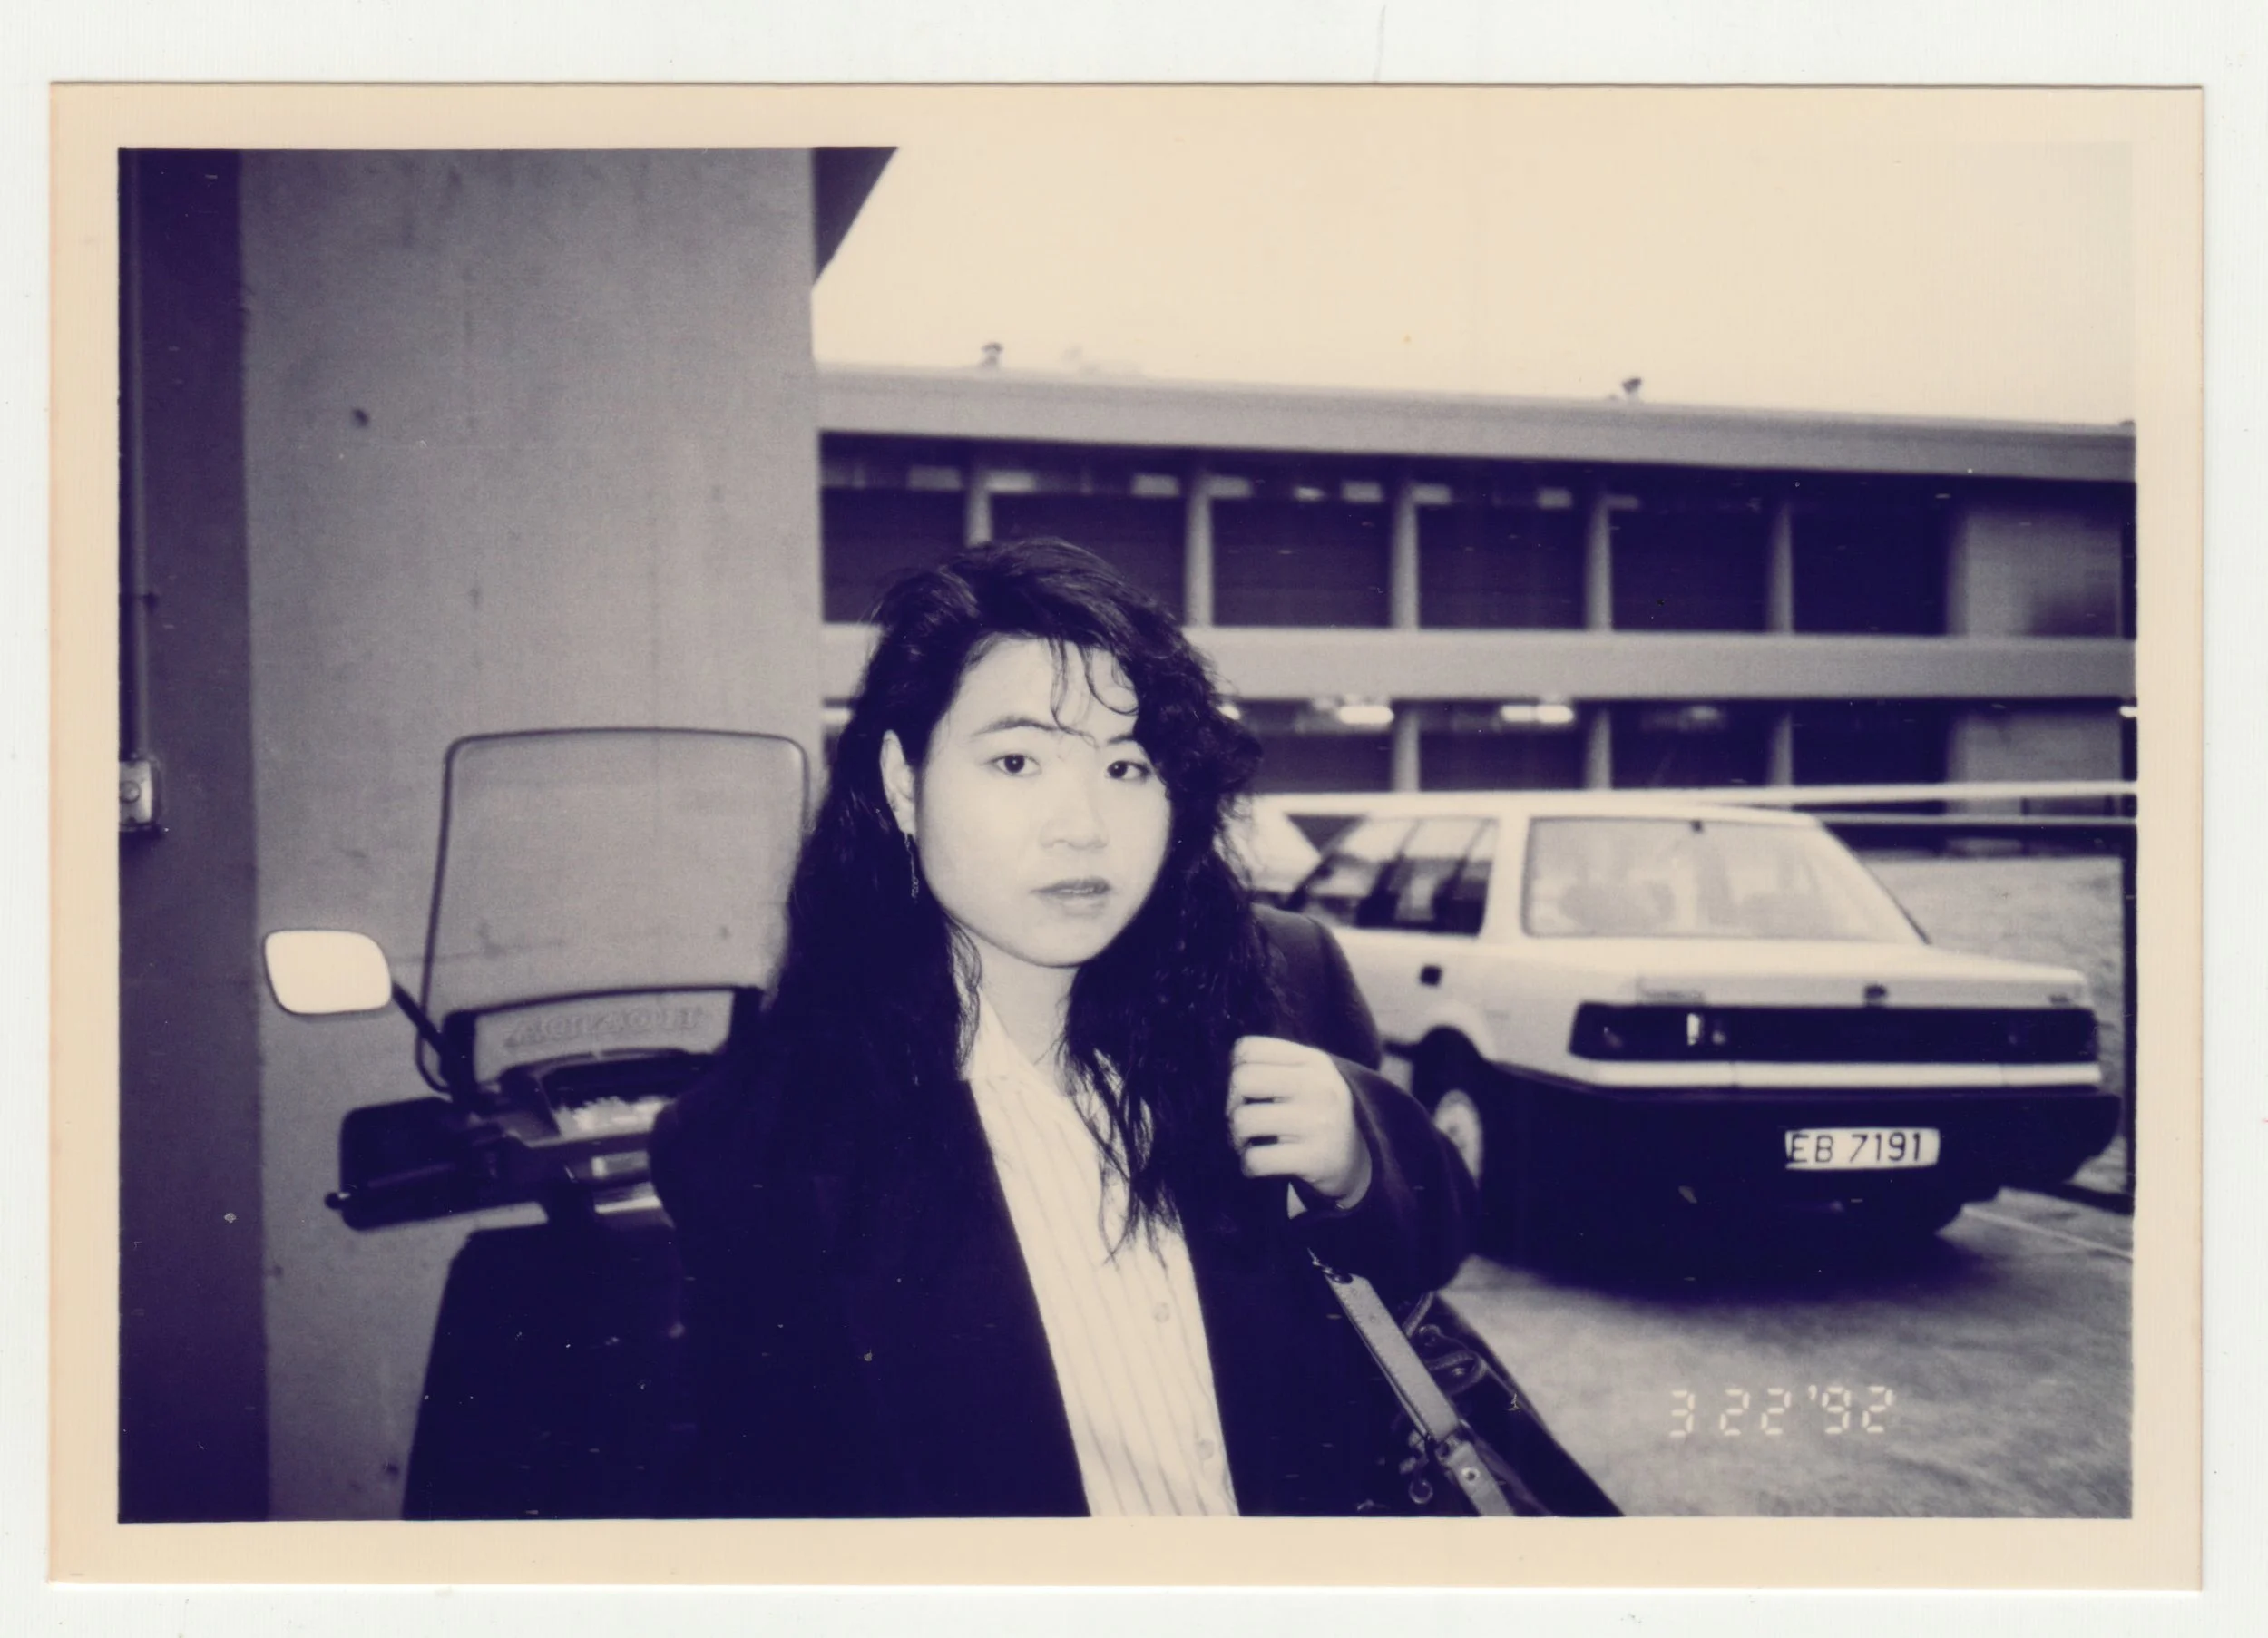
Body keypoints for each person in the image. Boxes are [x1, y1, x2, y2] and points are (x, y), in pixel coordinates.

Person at [650, 539, 1474, 1516]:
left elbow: (1429, 1245)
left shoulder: (1276, 978)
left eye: (1126, 765)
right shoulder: (763, 1134)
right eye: (1017, 761)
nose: (1083, 824)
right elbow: (771, 1498)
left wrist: (1361, 1164)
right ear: (904, 782)